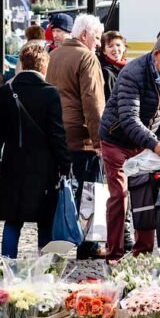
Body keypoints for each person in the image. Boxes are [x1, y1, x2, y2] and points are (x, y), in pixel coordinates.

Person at [100, 29, 160, 261]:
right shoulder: (133, 72)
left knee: (145, 194)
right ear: (157, 54)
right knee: (120, 195)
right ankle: (114, 254)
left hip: (146, 141)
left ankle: (142, 256)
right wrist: (156, 145)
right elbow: (129, 118)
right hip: (116, 139)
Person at [0, 43, 71, 257]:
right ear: (44, 66)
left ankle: (8, 264)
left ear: (22, 63)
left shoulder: (6, 92)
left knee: (12, 220)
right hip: (43, 166)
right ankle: (43, 266)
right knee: (45, 220)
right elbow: (57, 134)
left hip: (12, 163)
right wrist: (65, 164)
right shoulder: (50, 93)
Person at [47, 13, 105, 257]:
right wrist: (99, 140)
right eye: (97, 38)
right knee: (92, 190)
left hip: (58, 133)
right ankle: (89, 245)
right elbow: (93, 102)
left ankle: (59, 241)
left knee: (65, 191)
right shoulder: (86, 57)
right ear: (84, 35)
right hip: (82, 137)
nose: (99, 43)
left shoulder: (54, 55)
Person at [98, 31, 128, 101]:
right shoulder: (105, 72)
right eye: (110, 46)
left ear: (124, 47)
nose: (115, 49)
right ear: (104, 51)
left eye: (118, 45)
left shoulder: (130, 69)